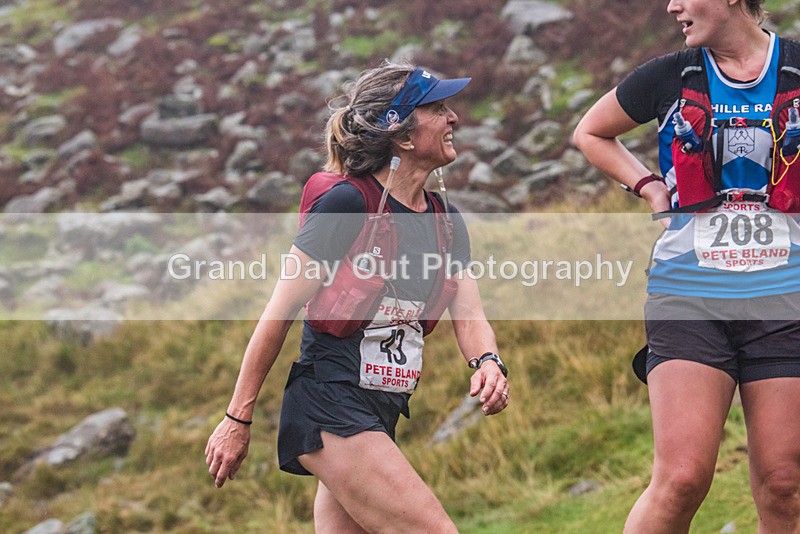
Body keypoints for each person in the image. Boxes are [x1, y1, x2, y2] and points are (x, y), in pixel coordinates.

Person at [205, 60, 509, 533]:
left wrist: (488, 361)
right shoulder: (347, 204)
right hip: (330, 401)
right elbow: (280, 310)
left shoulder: (446, 219)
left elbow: (468, 312)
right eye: (439, 109)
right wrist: (236, 418)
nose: (455, 119)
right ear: (403, 136)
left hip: (382, 407)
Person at [573, 1, 800, 532]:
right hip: (690, 296)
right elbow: (591, 132)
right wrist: (650, 187)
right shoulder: (669, 75)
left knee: (784, 484)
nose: (672, 5)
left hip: (785, 298)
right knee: (681, 479)